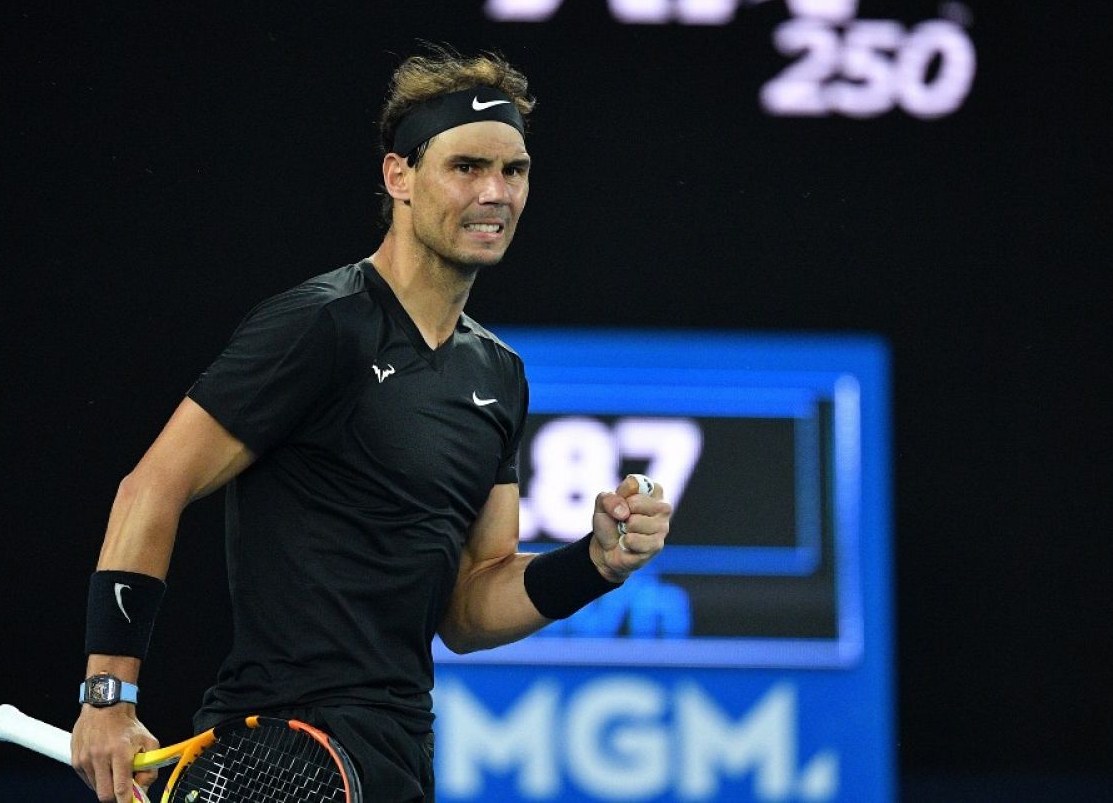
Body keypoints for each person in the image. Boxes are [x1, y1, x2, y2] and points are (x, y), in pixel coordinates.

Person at [69, 46, 673, 803]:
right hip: (278, 751)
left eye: (513, 171)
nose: (495, 193)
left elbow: (469, 606)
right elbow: (151, 488)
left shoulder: (498, 375)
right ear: (399, 178)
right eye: (466, 167)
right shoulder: (320, 326)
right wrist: (108, 699)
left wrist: (595, 563)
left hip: (397, 758)